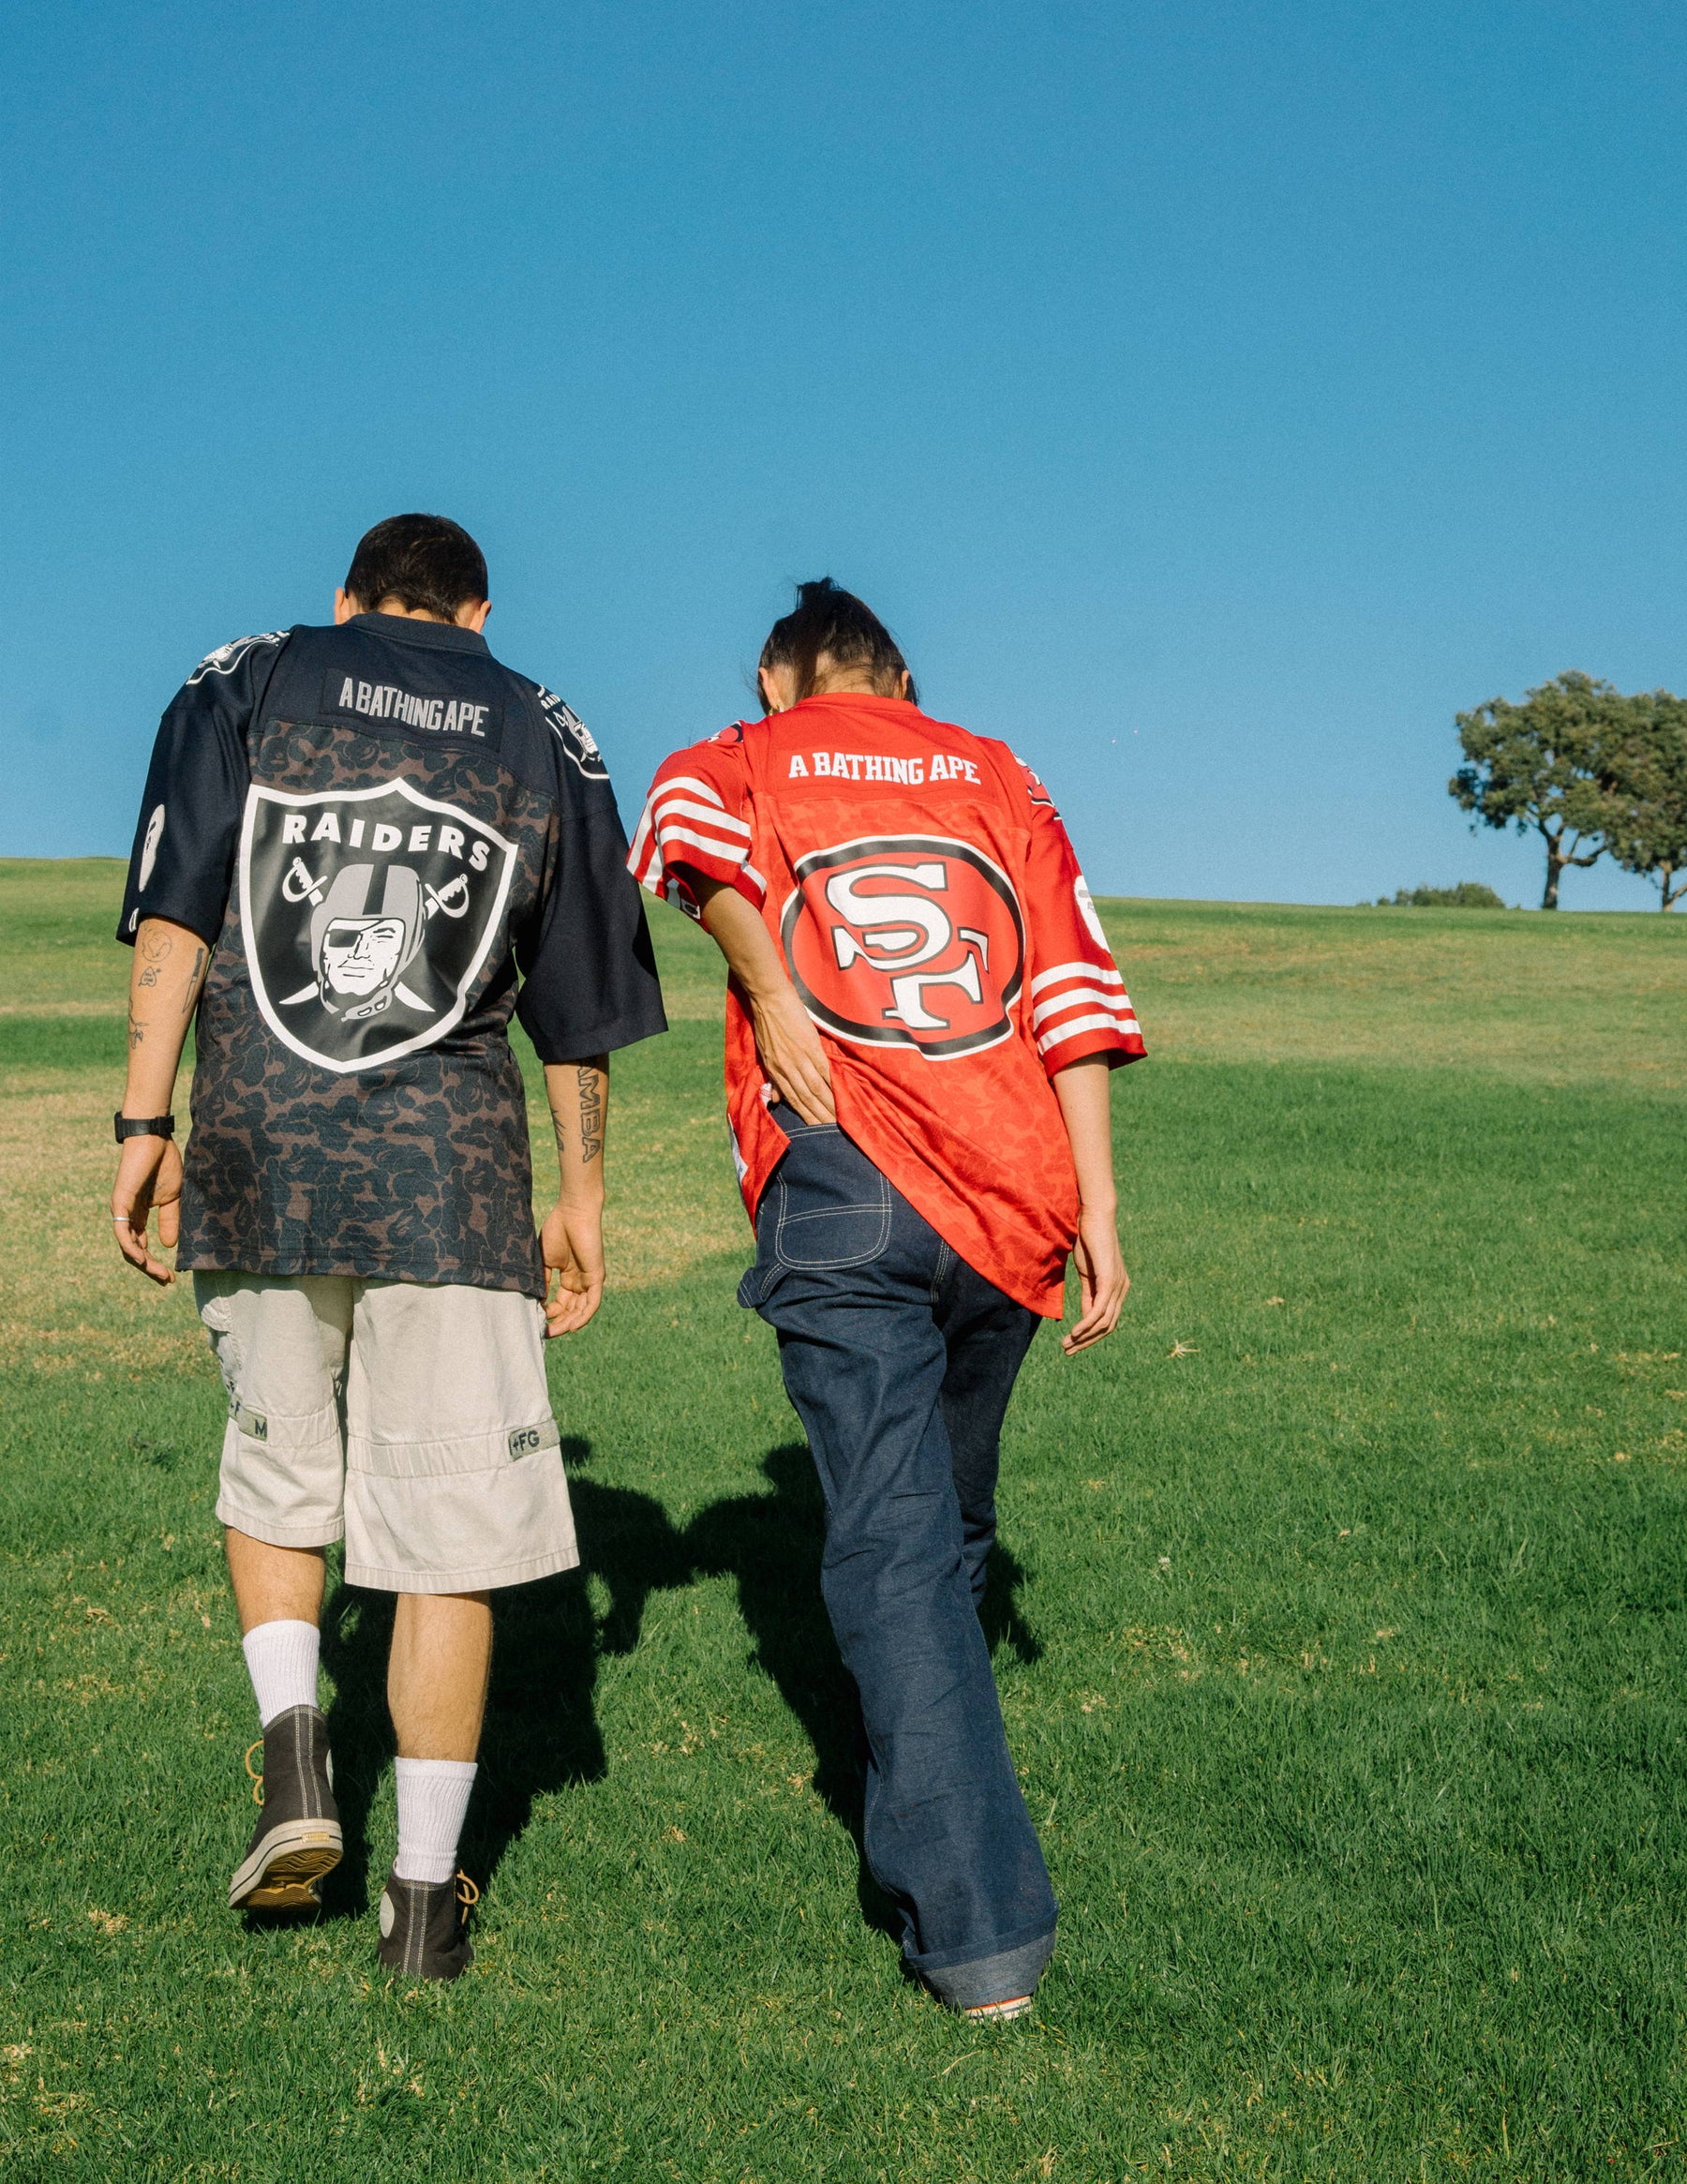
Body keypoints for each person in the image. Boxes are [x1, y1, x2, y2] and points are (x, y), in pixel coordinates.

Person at [111, 514, 665, 1980]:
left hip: (259, 1142)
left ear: (350, 594)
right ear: (478, 611)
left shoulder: (250, 674)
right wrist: (585, 1197)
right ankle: (423, 1913)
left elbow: (175, 915)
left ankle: (298, 1751)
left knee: (281, 1467)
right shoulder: (550, 730)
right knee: (447, 1542)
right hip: (454, 1180)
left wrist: (139, 1119)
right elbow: (581, 1005)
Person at [629, 578, 1143, 2020]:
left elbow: (674, 827)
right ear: (904, 679)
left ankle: (976, 1942)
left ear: (777, 674)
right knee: (941, 1529)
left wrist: (771, 986)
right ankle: (958, 1864)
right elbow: (1073, 993)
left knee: (908, 1542)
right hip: (1019, 1194)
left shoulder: (746, 748)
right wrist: (1099, 1206)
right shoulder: (998, 770)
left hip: (845, 1182)